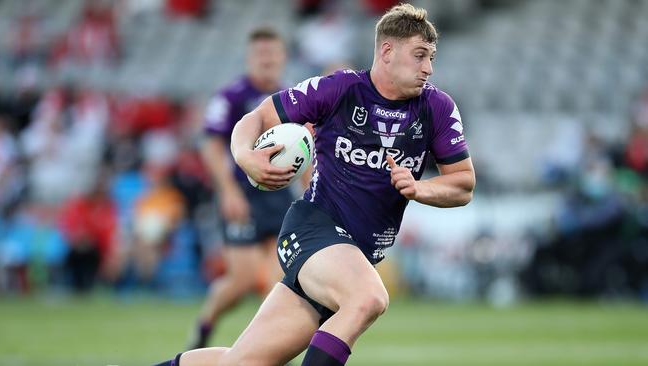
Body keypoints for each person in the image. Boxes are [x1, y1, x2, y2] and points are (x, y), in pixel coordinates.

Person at [156, 3, 475, 365]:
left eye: (431, 57)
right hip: (313, 229)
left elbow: (463, 183)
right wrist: (246, 158)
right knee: (368, 298)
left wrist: (421, 189)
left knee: (242, 362)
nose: (428, 68)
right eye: (420, 56)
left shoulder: (437, 108)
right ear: (387, 51)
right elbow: (256, 118)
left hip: (354, 255)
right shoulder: (339, 89)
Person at [188, 27, 294, 350]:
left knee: (281, 283)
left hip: (280, 197)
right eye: (261, 54)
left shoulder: (291, 97)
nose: (267, 60)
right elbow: (211, 144)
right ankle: (206, 323)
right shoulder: (231, 97)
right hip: (243, 196)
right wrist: (228, 191)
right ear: (250, 58)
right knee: (242, 281)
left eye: (272, 53)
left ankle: (268, 350)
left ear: (282, 57)